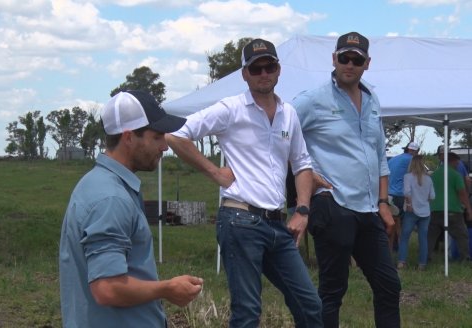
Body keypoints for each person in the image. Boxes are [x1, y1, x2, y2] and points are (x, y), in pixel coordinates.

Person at [166, 38, 323, 328]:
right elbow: (177, 136)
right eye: (256, 68)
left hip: (277, 225)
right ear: (245, 74)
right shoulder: (231, 108)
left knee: (310, 305)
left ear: (278, 70)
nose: (264, 73)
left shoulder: (289, 114)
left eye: (269, 66)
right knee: (247, 312)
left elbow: (302, 164)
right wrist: (215, 173)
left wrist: (302, 210)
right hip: (241, 220)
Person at [59, 90, 204, 327]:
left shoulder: (99, 184)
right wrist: (167, 289)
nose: (164, 147)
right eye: (157, 137)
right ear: (128, 138)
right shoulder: (111, 199)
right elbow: (107, 288)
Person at [291, 31, 401, 328]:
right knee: (332, 291)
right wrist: (307, 174)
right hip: (334, 205)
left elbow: (379, 155)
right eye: (344, 58)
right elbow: (279, 136)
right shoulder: (312, 101)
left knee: (389, 285)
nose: (349, 64)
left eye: (357, 59)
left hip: (368, 209)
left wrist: (383, 201)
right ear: (334, 59)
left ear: (367, 63)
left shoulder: (372, 99)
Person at [428, 152, 472, 262]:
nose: (458, 164)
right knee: (462, 235)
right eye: (457, 162)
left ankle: (425, 258)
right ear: (452, 161)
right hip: (453, 210)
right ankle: (465, 259)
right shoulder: (455, 175)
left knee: (431, 237)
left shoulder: (434, 174)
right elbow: (462, 193)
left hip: (434, 209)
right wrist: (468, 209)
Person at [397, 155, 435, 270]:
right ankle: (422, 264)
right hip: (425, 211)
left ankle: (402, 262)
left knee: (405, 237)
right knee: (423, 238)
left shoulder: (408, 177)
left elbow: (407, 192)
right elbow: (432, 196)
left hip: (411, 210)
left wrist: (409, 204)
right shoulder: (428, 179)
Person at [388, 141, 420, 250]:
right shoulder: (411, 160)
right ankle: (399, 247)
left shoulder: (393, 159)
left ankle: (390, 245)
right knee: (402, 222)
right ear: (415, 151)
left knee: (390, 221)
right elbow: (419, 175)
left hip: (388, 195)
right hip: (400, 195)